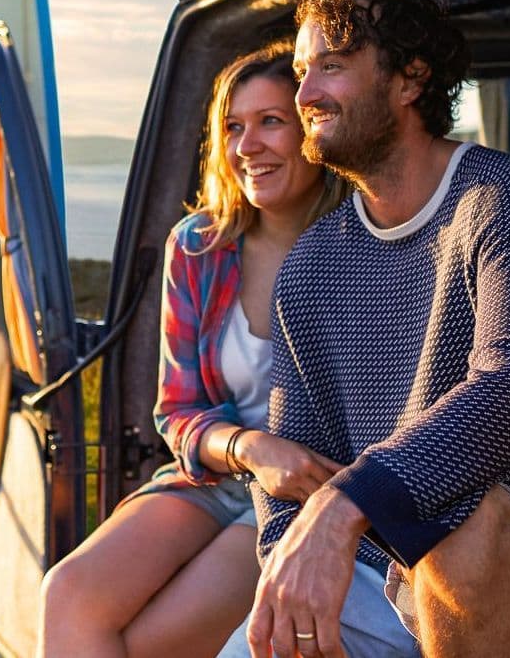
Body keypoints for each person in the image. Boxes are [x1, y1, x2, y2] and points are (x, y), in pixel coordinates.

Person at [238, 0, 510, 658]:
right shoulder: (312, 262)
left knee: (463, 526)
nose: (303, 96)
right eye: (301, 72)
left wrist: (347, 503)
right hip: (373, 559)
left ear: (410, 79)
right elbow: (294, 455)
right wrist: (289, 560)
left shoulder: (503, 199)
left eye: (330, 65)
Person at [37, 41, 348, 658]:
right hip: (217, 472)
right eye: (232, 127)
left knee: (151, 642)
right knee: (65, 594)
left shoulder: (358, 242)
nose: (247, 146)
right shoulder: (199, 246)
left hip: (305, 493)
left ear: (314, 132)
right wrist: (247, 446)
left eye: (271, 122)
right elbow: (176, 410)